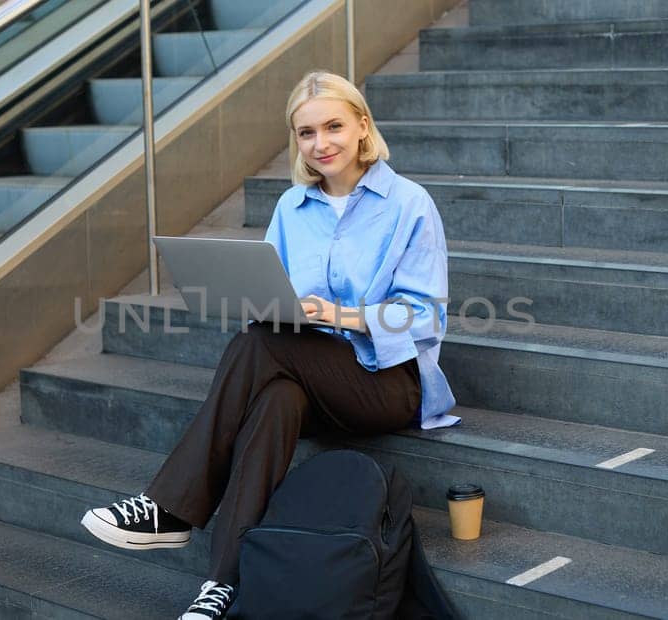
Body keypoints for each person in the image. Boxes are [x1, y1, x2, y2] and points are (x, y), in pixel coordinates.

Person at [80, 70, 459, 620]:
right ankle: (222, 584)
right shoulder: (292, 207)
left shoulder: (408, 204)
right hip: (304, 371)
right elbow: (271, 291)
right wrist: (253, 300)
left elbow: (425, 316)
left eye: (333, 126)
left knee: (263, 345)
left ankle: (169, 510)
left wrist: (341, 315)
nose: (321, 143)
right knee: (275, 397)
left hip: (385, 380)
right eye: (306, 132)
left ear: (362, 126)